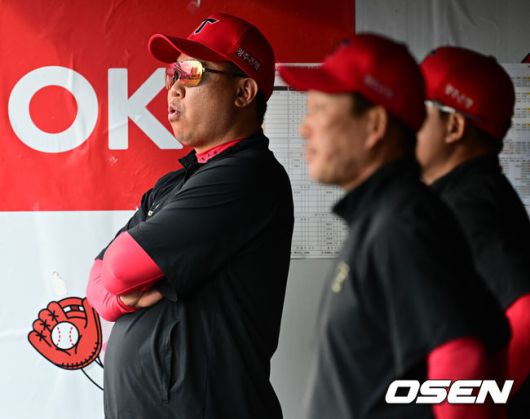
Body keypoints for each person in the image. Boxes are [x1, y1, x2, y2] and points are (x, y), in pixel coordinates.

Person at [278, 34, 510, 419]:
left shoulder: (402, 224)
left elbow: (463, 364)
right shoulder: (383, 217)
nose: (304, 128)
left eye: (319, 109)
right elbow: (495, 341)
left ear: (374, 125)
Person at [85, 13, 294, 419]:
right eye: (172, 74)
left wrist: (120, 285)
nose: (174, 88)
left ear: (243, 92)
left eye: (193, 73)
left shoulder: (246, 174)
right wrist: (122, 297)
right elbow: (98, 285)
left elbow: (120, 266)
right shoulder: (172, 184)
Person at [417, 46, 530, 418]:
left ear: (454, 127)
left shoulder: (467, 206)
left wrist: (471, 403)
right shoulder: (469, 193)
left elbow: (527, 314)